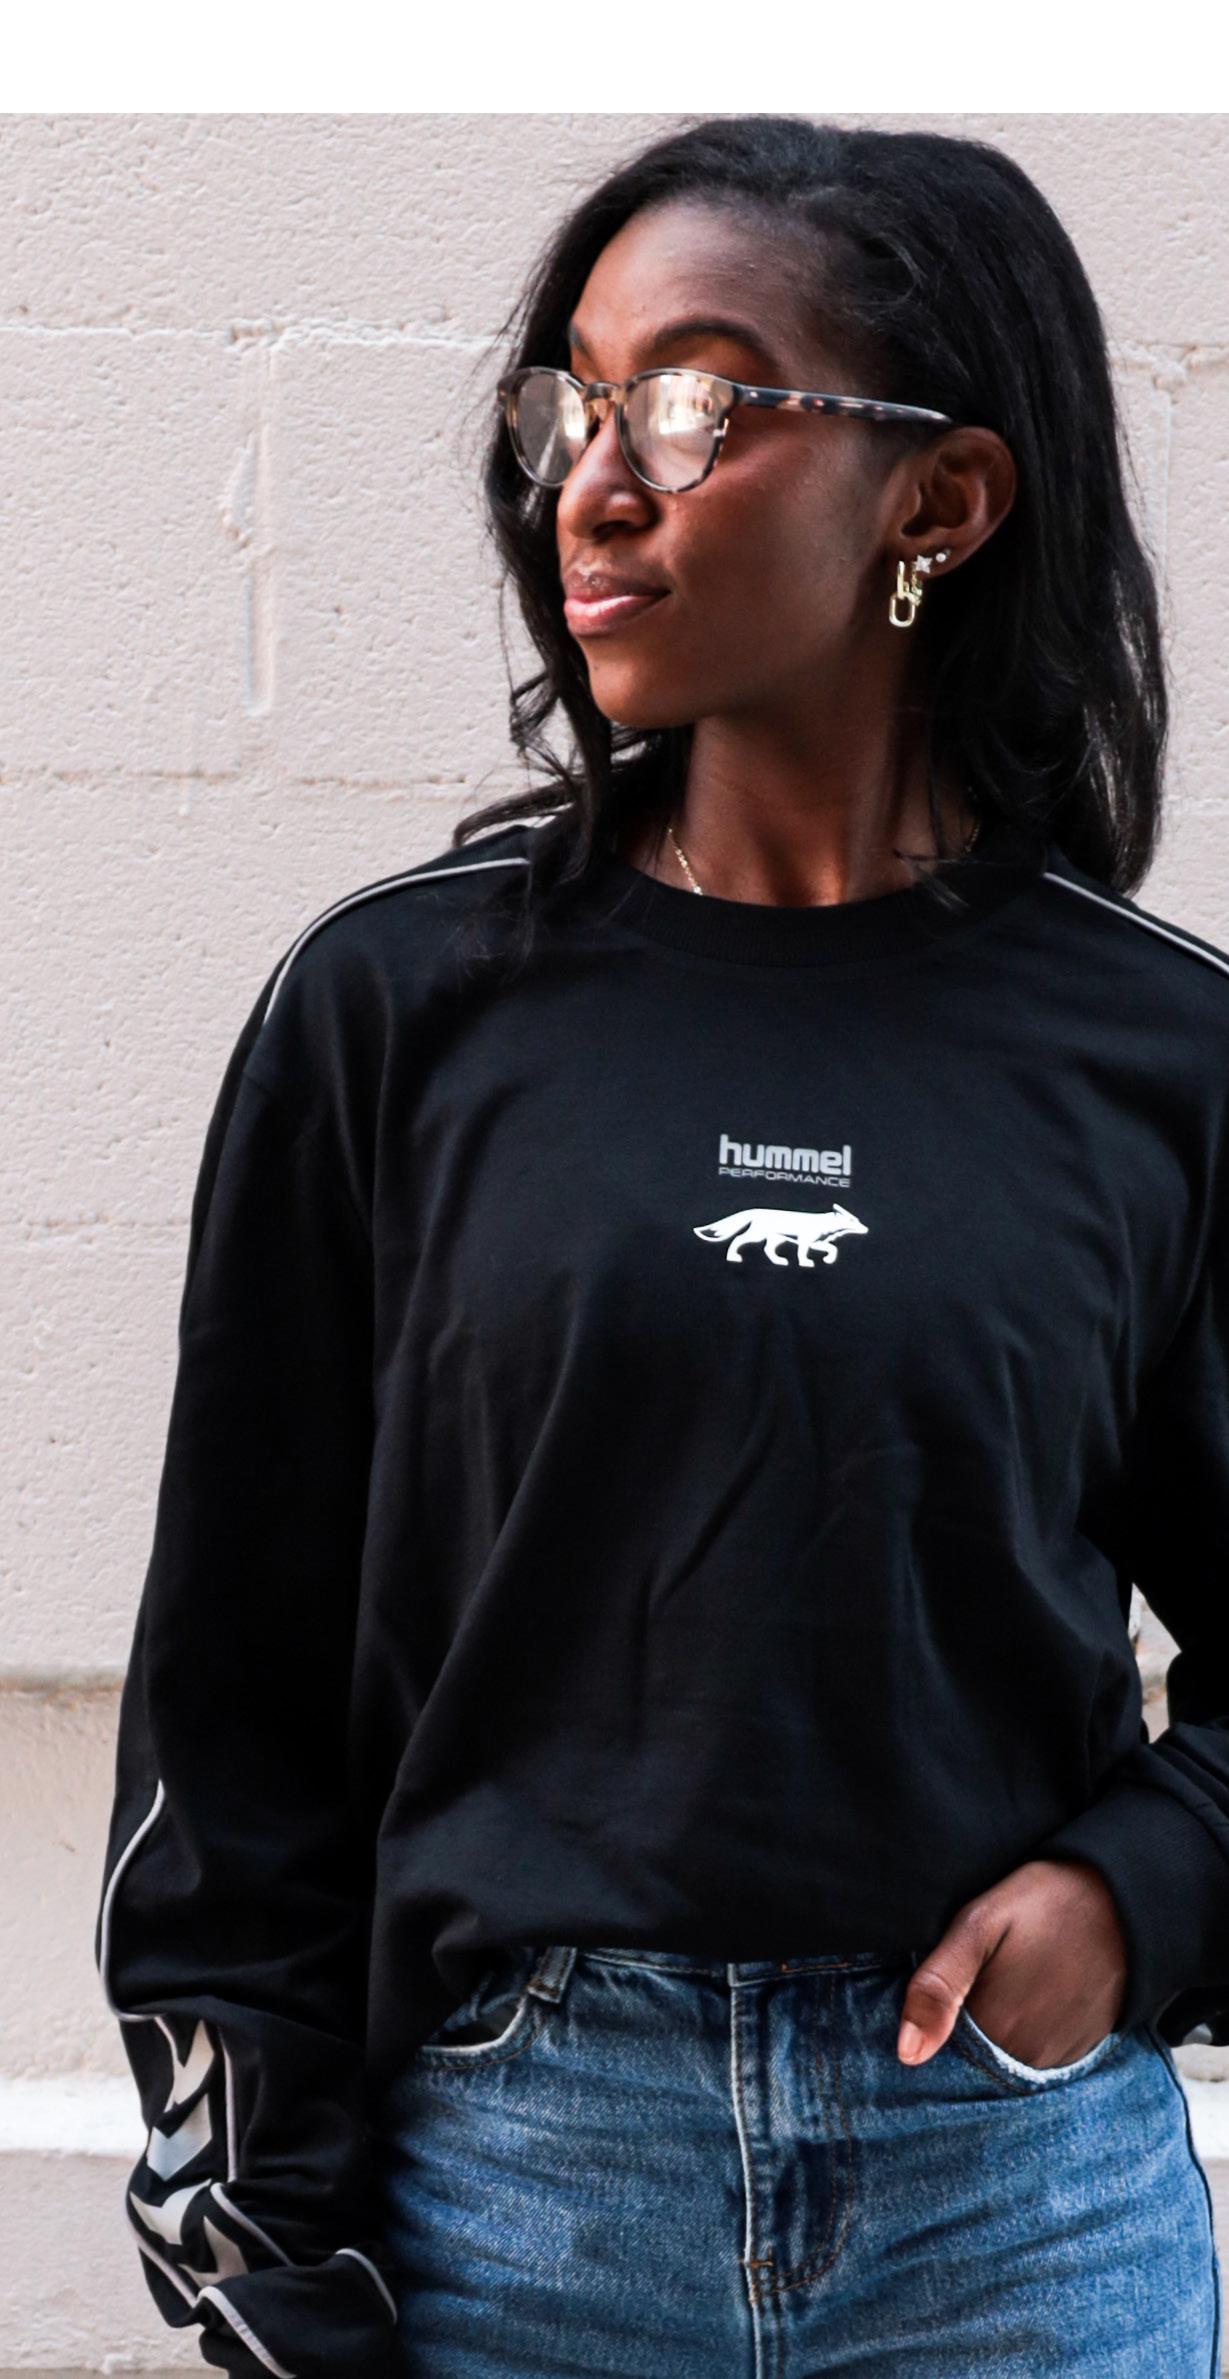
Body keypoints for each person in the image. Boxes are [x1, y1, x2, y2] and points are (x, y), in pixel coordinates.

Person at [93, 114, 1229, 2378]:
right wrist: (262, 2241)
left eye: (694, 402)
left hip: (1012, 2205)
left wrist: (1142, 1889)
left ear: (940, 500)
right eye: (574, 407)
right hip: (509, 2202)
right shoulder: (401, 1011)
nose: (593, 485)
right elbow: (233, 1704)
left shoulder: (1163, 1052)